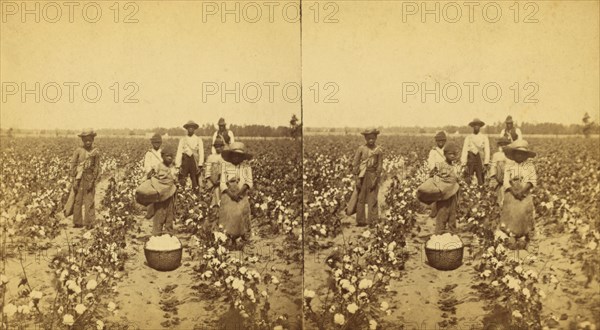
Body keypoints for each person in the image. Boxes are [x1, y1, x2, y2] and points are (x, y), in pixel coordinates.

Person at [499, 140, 537, 240]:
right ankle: (511, 232)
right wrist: (514, 191)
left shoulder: (529, 166)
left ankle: (525, 232)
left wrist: (522, 191)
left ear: (525, 155)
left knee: (524, 211)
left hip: (525, 193)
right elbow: (506, 181)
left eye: (522, 154)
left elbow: (532, 181)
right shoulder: (509, 165)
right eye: (517, 153)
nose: (520, 156)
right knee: (511, 211)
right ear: (514, 154)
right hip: (512, 193)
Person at [218, 142, 253, 242]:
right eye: (234, 155)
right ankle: (229, 237)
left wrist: (239, 193)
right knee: (228, 215)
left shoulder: (246, 167)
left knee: (241, 214)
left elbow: (249, 182)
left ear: (242, 157)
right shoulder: (226, 166)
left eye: (239, 156)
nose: (236, 158)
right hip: (229, 195)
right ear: (230, 156)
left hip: (242, 195)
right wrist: (231, 194)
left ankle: (243, 236)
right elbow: (222, 183)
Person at [70, 129, 101, 228]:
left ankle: (89, 222)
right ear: (83, 140)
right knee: (78, 200)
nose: (88, 142)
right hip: (79, 177)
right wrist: (74, 179)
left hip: (89, 177)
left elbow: (96, 166)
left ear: (92, 140)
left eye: (89, 140)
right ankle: (77, 222)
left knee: (89, 200)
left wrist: (93, 180)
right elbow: (73, 164)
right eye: (86, 140)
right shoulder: (78, 151)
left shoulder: (95, 152)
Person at [352, 128, 384, 226]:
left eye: (373, 138)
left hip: (373, 175)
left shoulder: (378, 150)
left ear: (376, 138)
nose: (371, 140)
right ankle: (361, 221)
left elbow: (379, 165)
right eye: (369, 138)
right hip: (362, 175)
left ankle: (372, 221)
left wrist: (376, 178)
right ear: (365, 138)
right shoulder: (361, 149)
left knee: (373, 198)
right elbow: (356, 164)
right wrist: (357, 178)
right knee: (361, 198)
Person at [431, 142, 460, 234]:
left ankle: (452, 235)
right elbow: (434, 177)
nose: (452, 156)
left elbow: (457, 180)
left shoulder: (455, 167)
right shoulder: (440, 165)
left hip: (453, 195)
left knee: (452, 215)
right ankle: (439, 234)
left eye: (454, 154)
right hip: (443, 195)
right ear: (445, 154)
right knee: (442, 214)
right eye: (450, 154)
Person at [149, 145, 178, 236]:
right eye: (167, 156)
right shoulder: (158, 167)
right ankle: (156, 234)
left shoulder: (173, 168)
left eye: (171, 156)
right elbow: (153, 179)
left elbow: (175, 180)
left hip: (170, 196)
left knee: (169, 215)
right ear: (162, 156)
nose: (169, 158)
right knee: (159, 214)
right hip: (160, 196)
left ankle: (168, 234)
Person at [176, 120, 204, 192]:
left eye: (192, 127)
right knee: (183, 179)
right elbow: (179, 152)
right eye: (189, 127)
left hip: (194, 162)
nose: (190, 129)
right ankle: (182, 194)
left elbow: (201, 152)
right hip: (185, 162)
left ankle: (195, 194)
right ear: (187, 129)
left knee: (194, 179)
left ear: (194, 129)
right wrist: (178, 165)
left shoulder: (198, 140)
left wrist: (200, 164)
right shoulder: (183, 140)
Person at [461, 118, 490, 185]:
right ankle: (468, 193)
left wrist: (486, 163)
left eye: (478, 125)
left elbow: (487, 151)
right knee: (468, 178)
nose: (476, 126)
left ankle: (481, 193)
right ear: (473, 126)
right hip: (470, 159)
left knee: (480, 179)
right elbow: (464, 150)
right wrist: (464, 164)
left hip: (480, 160)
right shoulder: (468, 138)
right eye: (475, 125)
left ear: (480, 126)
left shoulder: (484, 138)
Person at [488, 137, 511, 206]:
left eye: (505, 144)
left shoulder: (510, 155)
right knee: (497, 195)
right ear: (499, 146)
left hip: (508, 179)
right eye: (501, 144)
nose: (503, 146)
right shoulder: (496, 155)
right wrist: (494, 177)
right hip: (497, 179)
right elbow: (493, 167)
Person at [205, 138, 225, 209]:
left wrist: (221, 180)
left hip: (222, 181)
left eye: (219, 146)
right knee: (213, 199)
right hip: (213, 182)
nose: (218, 148)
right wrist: (212, 181)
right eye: (216, 147)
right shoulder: (211, 157)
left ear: (223, 147)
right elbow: (207, 171)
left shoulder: (225, 157)